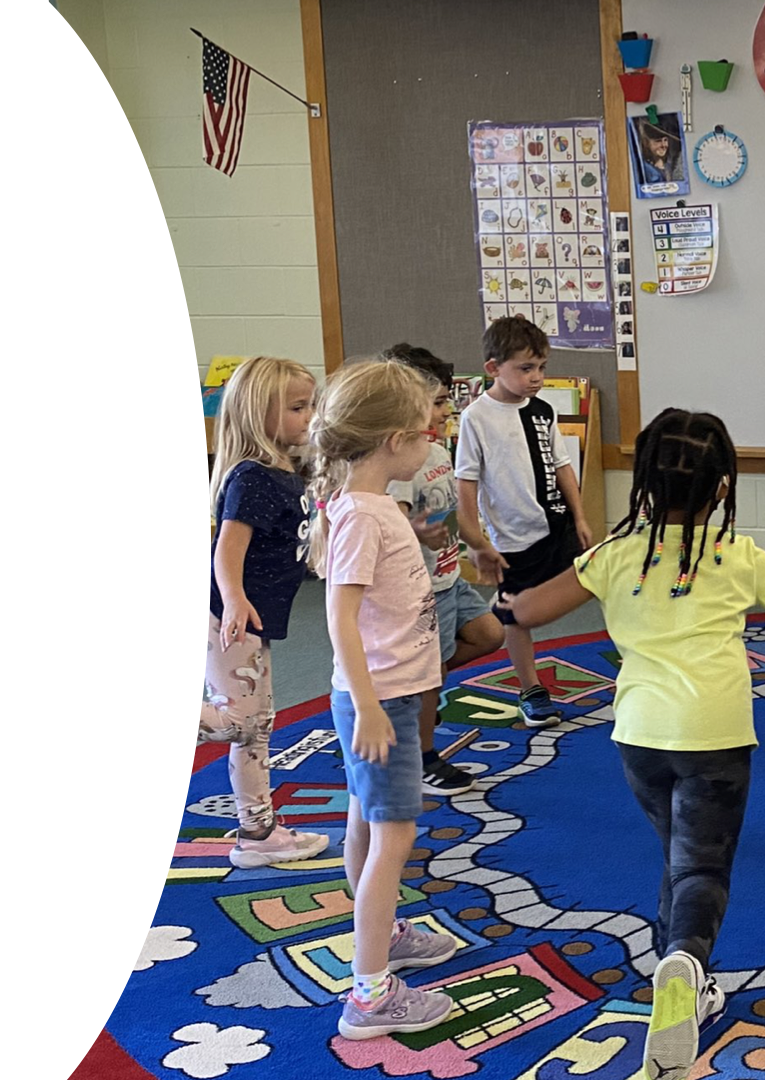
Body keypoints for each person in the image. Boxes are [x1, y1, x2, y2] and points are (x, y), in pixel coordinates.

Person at [501, 409, 765, 1080]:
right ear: (720, 491)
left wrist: (498, 592)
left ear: (644, 487)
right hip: (714, 732)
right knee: (703, 867)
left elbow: (527, 612)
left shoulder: (612, 556)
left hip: (640, 737)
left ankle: (679, 978)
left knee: (678, 854)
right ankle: (684, 961)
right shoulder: (736, 555)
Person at [309, 360, 463, 1039]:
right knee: (392, 838)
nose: (435, 442)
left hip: (382, 697)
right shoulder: (362, 518)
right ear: (397, 439)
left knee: (366, 828)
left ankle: (383, 935)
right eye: (430, 430)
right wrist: (370, 706)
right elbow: (338, 617)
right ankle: (370, 995)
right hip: (383, 702)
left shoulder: (370, 508)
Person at [204, 356, 332, 869]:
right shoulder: (253, 477)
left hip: (257, 622)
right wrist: (233, 596)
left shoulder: (284, 473)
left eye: (311, 405)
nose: (310, 416)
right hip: (231, 617)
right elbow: (227, 547)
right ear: (260, 415)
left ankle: (258, 832)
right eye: (299, 408)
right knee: (238, 721)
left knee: (257, 726)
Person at [454, 316, 594, 729]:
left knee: (592, 581)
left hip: (558, 525)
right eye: (525, 369)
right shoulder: (476, 418)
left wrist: (581, 516)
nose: (537, 378)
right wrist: (477, 541)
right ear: (494, 368)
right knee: (516, 616)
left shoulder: (542, 410)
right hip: (513, 538)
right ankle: (531, 688)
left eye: (542, 368)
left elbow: (563, 465)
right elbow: (467, 485)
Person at [381, 343, 506, 795]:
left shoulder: (436, 452)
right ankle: (422, 757)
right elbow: (386, 520)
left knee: (489, 635)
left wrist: (478, 546)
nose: (446, 409)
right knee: (428, 671)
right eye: (436, 402)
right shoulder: (399, 461)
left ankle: (413, 693)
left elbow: (450, 515)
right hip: (420, 589)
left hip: (449, 577)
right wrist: (415, 527)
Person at [634, 117, 684, 188]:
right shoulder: (649, 171)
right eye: (658, 141)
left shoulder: (670, 164)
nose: (663, 145)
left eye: (665, 140)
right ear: (646, 143)